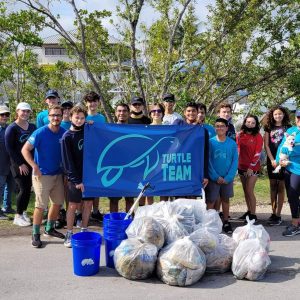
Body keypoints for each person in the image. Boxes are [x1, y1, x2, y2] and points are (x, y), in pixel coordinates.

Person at [22, 105, 66, 248]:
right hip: (42, 175)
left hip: (58, 174)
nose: (56, 118)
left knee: (58, 203)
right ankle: (35, 233)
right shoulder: (40, 132)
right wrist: (34, 166)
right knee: (40, 206)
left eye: (58, 115)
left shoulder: (64, 132)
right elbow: (25, 150)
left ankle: (50, 228)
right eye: (53, 115)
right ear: (48, 117)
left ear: (62, 116)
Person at [61, 105, 94, 247]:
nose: (79, 120)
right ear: (70, 117)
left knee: (88, 204)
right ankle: (69, 233)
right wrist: (76, 180)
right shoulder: (66, 137)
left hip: (89, 177)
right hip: (75, 179)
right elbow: (67, 162)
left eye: (82, 118)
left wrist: (91, 124)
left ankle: (84, 230)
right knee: (73, 205)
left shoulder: (88, 131)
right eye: (77, 118)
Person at [5, 102, 36, 226]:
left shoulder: (32, 127)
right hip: (18, 165)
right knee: (23, 189)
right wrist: (20, 164)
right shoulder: (12, 128)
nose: (25, 113)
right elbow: (10, 149)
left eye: (27, 111)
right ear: (17, 111)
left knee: (28, 189)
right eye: (23, 111)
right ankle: (17, 216)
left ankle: (23, 212)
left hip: (30, 162)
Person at [206, 118, 238, 233]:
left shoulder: (232, 144)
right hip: (214, 178)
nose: (220, 128)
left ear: (226, 128)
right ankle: (208, 223)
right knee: (211, 201)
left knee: (225, 200)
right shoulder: (210, 142)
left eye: (222, 126)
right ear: (215, 128)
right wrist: (215, 176)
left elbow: (235, 161)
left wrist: (228, 177)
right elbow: (208, 161)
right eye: (217, 126)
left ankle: (226, 222)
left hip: (226, 179)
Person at [263, 106, 291, 226]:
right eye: (275, 114)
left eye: (280, 114)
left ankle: (279, 214)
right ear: (272, 116)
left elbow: (291, 144)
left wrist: (282, 160)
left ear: (283, 115)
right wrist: (272, 159)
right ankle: (273, 213)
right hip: (272, 161)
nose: (278, 116)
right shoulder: (268, 128)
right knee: (273, 186)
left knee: (281, 187)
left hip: (283, 161)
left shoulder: (289, 128)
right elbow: (267, 145)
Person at [276, 109, 300, 236]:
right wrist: (280, 159)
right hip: (289, 168)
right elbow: (282, 147)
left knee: (293, 194)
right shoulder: (291, 131)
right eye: (298, 117)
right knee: (292, 196)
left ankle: (295, 224)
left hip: (298, 168)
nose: (299, 120)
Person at [83, 91, 106, 222]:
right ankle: (81, 213)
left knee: (96, 184)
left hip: (97, 155)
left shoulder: (101, 118)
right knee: (84, 185)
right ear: (86, 103)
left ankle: (95, 211)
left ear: (98, 103)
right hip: (84, 155)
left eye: (95, 101)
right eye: (90, 101)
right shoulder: (82, 116)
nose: (92, 104)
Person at [236, 114, 263, 222]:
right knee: (245, 191)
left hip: (253, 167)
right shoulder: (239, 135)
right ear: (245, 122)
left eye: (253, 123)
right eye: (248, 122)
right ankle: (248, 211)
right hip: (241, 166)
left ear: (256, 124)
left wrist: (251, 167)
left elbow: (258, 153)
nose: (250, 124)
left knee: (249, 190)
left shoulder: (258, 136)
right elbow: (237, 150)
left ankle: (253, 215)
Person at [109, 103, 134, 212]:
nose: (121, 113)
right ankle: (115, 223)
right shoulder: (109, 129)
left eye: (124, 111)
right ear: (115, 113)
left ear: (128, 113)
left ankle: (129, 223)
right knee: (114, 200)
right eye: (119, 111)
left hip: (131, 169)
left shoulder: (135, 130)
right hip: (115, 169)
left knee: (129, 199)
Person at [0, 105, 11, 221]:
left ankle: (7, 207)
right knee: (0, 187)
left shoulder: (9, 128)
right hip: (0, 164)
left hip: (10, 164)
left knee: (10, 186)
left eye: (6, 114)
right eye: (2, 114)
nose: (4, 116)